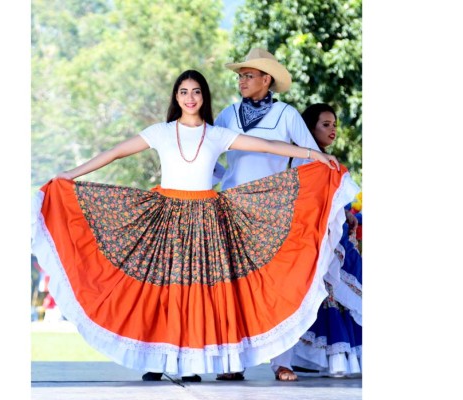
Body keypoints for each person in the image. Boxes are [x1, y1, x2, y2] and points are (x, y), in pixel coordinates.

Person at [31, 69, 359, 382]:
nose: (190, 98)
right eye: (184, 92)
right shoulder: (161, 131)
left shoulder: (217, 134)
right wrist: (71, 175)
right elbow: (117, 152)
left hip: (206, 220)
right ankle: (156, 361)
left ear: (204, 97)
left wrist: (313, 155)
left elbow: (269, 146)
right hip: (165, 219)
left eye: (196, 92)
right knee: (159, 293)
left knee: (196, 295)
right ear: (177, 96)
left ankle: (190, 363)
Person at [212, 48, 322, 382]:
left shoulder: (287, 115)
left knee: (277, 284)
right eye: (240, 75)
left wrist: (294, 194)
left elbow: (311, 158)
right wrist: (211, 185)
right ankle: (233, 362)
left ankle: (282, 361)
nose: (242, 81)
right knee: (234, 286)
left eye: (248, 75)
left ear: (266, 79)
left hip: (274, 211)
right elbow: (207, 157)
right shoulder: (227, 115)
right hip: (231, 208)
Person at [289, 103, 363, 378]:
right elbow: (306, 201)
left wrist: (345, 211)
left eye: (334, 125)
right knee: (324, 293)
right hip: (315, 236)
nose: (333, 130)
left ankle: (334, 358)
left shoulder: (324, 160)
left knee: (336, 293)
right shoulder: (303, 161)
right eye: (326, 124)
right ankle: (324, 359)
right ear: (310, 128)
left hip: (334, 235)